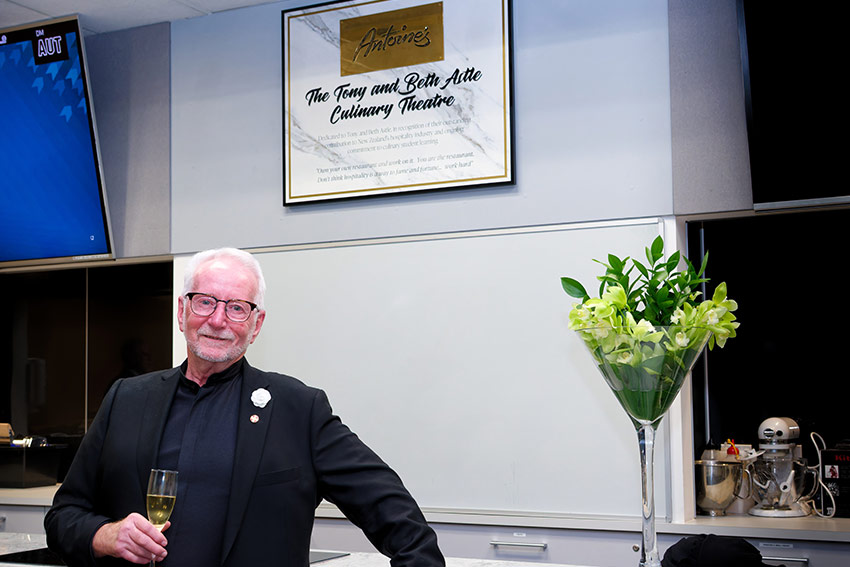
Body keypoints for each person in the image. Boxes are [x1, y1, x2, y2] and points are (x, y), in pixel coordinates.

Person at [45, 248, 444, 567]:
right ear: (182, 311)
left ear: (257, 324)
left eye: (237, 307)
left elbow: (394, 514)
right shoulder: (125, 399)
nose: (218, 320)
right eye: (205, 302)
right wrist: (105, 536)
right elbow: (64, 516)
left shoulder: (298, 410)